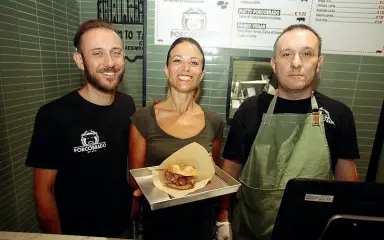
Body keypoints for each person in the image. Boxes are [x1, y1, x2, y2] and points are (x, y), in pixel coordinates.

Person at [216, 24, 360, 240]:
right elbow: (230, 169)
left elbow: (346, 180)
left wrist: (349, 225)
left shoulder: (338, 115)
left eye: (307, 53)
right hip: (253, 228)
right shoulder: (250, 110)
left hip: (313, 230)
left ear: (319, 63)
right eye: (286, 54)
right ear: (274, 64)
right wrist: (223, 217)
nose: (296, 63)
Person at [25, 19, 136, 238]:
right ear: (79, 60)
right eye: (97, 53)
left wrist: (134, 206)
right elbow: (43, 192)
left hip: (121, 226)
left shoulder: (127, 104)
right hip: (75, 232)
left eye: (116, 52)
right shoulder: (53, 115)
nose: (110, 62)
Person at [129, 37, 225, 240]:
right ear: (166, 70)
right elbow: (134, 178)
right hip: (158, 222)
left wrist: (222, 218)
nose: (185, 68)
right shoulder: (143, 118)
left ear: (201, 75)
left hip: (201, 221)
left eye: (194, 62)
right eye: (177, 60)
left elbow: (214, 172)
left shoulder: (215, 122)